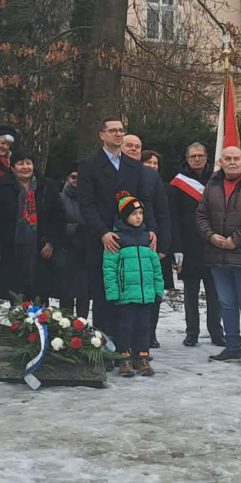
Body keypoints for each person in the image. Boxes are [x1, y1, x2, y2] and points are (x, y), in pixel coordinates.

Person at [76, 119, 157, 362]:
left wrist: (150, 228)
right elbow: (86, 203)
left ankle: (130, 348)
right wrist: (102, 232)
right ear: (102, 135)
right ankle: (106, 350)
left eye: (121, 130)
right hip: (102, 239)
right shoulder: (89, 165)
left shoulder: (133, 166)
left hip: (131, 239)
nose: (118, 134)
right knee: (104, 296)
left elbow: (144, 200)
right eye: (113, 130)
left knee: (129, 297)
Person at [195, 145, 241, 370]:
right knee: (226, 304)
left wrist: (235, 239)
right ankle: (233, 347)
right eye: (227, 158)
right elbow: (201, 214)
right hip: (218, 254)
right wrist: (211, 236)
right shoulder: (213, 183)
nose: (232, 162)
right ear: (220, 161)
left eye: (236, 158)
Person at [0, 147, 63, 304]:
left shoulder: (46, 186)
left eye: (28, 163)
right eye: (20, 163)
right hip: (10, 250)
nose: (25, 167)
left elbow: (58, 217)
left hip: (40, 251)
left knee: (39, 297)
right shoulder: (1, 187)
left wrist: (51, 242)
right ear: (12, 168)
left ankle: (39, 326)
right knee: (15, 296)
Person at [102, 193, 164, 377]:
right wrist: (112, 293)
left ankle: (142, 356)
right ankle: (124, 358)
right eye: (134, 213)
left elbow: (156, 269)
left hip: (146, 294)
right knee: (125, 327)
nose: (138, 217)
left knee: (144, 326)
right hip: (126, 294)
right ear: (123, 216)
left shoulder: (147, 238)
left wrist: (158, 291)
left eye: (140, 213)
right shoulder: (117, 239)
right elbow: (109, 268)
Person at [169, 142, 222, 347]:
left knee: (214, 294)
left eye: (200, 155)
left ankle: (216, 331)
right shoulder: (178, 183)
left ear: (207, 157)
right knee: (190, 294)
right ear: (187, 158)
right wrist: (177, 247)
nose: (197, 159)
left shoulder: (217, 178)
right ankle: (192, 332)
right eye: (193, 156)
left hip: (213, 243)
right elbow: (173, 216)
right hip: (189, 246)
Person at [122, 135, 171, 347]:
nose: (133, 149)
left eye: (137, 147)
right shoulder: (114, 173)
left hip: (150, 244)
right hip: (123, 244)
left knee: (151, 292)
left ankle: (148, 334)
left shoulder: (152, 177)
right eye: (129, 146)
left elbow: (162, 212)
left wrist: (164, 245)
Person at [56, 169, 90, 317]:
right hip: (67, 251)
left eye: (80, 177)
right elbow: (55, 224)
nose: (76, 180)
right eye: (73, 177)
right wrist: (75, 229)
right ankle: (66, 330)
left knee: (85, 294)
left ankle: (82, 327)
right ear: (68, 178)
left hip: (86, 251)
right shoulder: (60, 198)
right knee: (66, 295)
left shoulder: (90, 199)